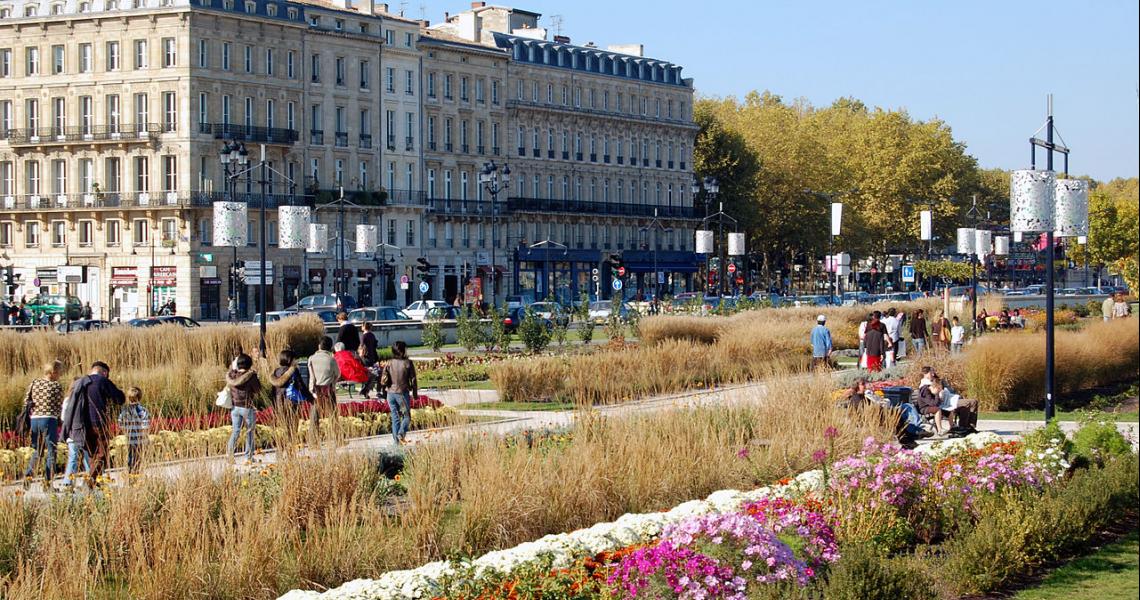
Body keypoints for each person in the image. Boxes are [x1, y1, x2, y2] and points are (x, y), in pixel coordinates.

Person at [61, 361, 126, 489]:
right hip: (98, 423)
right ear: (105, 372)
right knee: (102, 454)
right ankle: (89, 482)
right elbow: (120, 399)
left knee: (92, 455)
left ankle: (94, 483)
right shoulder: (102, 381)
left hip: (80, 425)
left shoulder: (80, 382)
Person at [22, 360, 65, 492]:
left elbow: (26, 401)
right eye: (60, 372)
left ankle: (28, 477)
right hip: (49, 419)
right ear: (54, 372)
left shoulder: (34, 383)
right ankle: (48, 484)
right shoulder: (56, 386)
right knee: (51, 452)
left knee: (37, 451)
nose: (60, 375)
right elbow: (59, 405)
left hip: (34, 419)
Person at [269, 348, 312, 452]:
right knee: (292, 427)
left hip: (279, 403)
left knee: (283, 426)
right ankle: (290, 450)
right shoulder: (293, 371)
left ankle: (281, 449)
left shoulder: (276, 371)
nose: (296, 361)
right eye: (294, 359)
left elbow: (273, 390)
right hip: (291, 402)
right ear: (290, 360)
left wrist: (273, 404)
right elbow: (301, 386)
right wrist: (310, 398)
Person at [225, 353, 263, 463]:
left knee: (235, 431)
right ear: (249, 364)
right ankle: (248, 457)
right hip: (247, 407)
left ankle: (230, 456)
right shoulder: (251, 376)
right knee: (249, 432)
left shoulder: (232, 375)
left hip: (234, 407)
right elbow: (258, 389)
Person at [381, 340, 418, 446]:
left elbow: (383, 379)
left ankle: (396, 443)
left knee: (395, 417)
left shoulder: (389, 362)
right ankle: (401, 434)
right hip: (402, 393)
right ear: (403, 350)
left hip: (390, 393)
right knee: (406, 416)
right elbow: (414, 380)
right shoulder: (407, 363)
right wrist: (415, 393)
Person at [307, 335, 341, 445]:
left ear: (319, 346)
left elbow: (311, 375)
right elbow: (337, 374)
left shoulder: (311, 358)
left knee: (314, 416)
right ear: (330, 347)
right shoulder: (331, 359)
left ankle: (313, 441)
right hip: (328, 389)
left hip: (316, 390)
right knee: (333, 415)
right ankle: (337, 439)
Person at [117, 387, 151, 475]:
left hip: (130, 439)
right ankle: (138, 476)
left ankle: (131, 476)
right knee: (139, 460)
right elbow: (145, 426)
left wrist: (126, 430)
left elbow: (120, 423)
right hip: (140, 440)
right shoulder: (143, 410)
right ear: (140, 397)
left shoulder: (124, 411)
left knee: (130, 459)